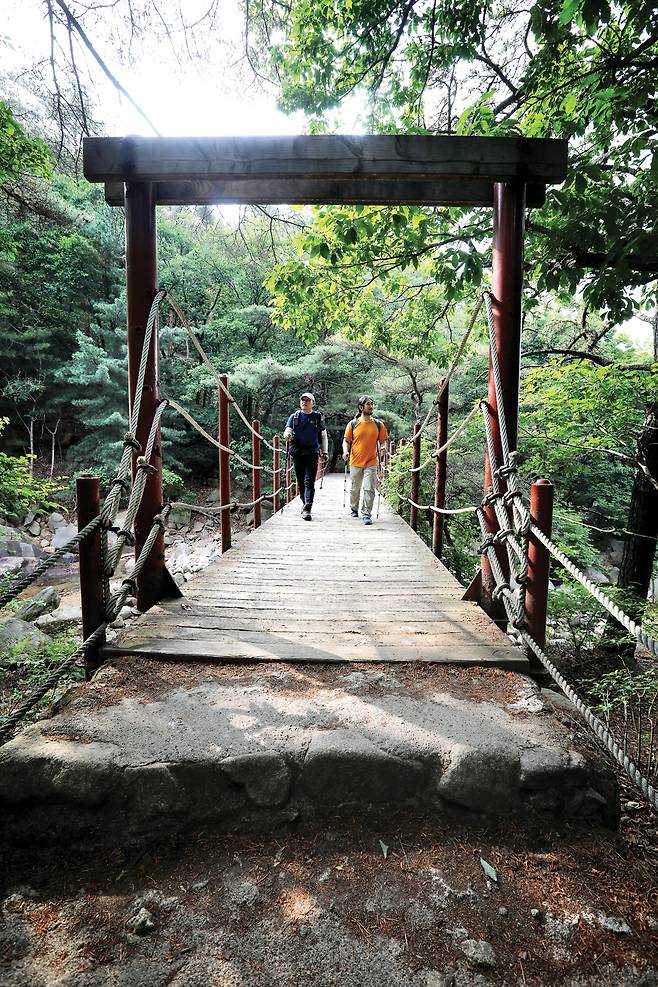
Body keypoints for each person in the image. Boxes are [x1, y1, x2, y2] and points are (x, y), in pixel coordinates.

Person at [343, 395, 389, 525]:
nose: (371, 406)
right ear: (361, 407)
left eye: (372, 404)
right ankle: (354, 507)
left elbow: (383, 441)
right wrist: (346, 451)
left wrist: (383, 448)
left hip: (371, 461)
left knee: (369, 488)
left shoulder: (378, 425)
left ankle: (367, 513)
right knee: (355, 488)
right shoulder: (353, 424)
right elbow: (346, 440)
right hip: (356, 461)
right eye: (368, 404)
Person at [284, 392, 328, 521]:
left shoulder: (317, 417)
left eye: (307, 400)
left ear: (312, 403)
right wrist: (287, 435)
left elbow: (323, 435)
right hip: (298, 453)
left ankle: (308, 507)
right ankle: (304, 503)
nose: (304, 402)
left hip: (312, 453)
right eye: (302, 400)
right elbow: (288, 430)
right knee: (301, 481)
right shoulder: (294, 416)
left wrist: (324, 452)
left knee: (309, 481)